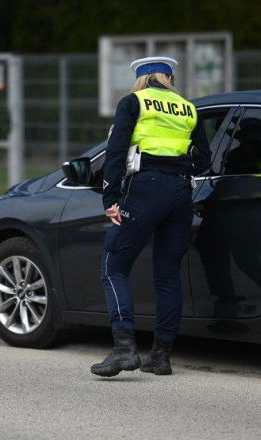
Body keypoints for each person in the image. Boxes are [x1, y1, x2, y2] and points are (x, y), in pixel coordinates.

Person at [90, 56, 212, 377]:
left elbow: (116, 151)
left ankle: (124, 348)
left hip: (144, 188)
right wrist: (180, 170)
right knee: (168, 275)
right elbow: (204, 159)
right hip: (180, 193)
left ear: (142, 79)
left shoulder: (134, 102)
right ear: (169, 77)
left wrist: (111, 197)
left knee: (112, 266)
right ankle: (161, 357)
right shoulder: (188, 107)